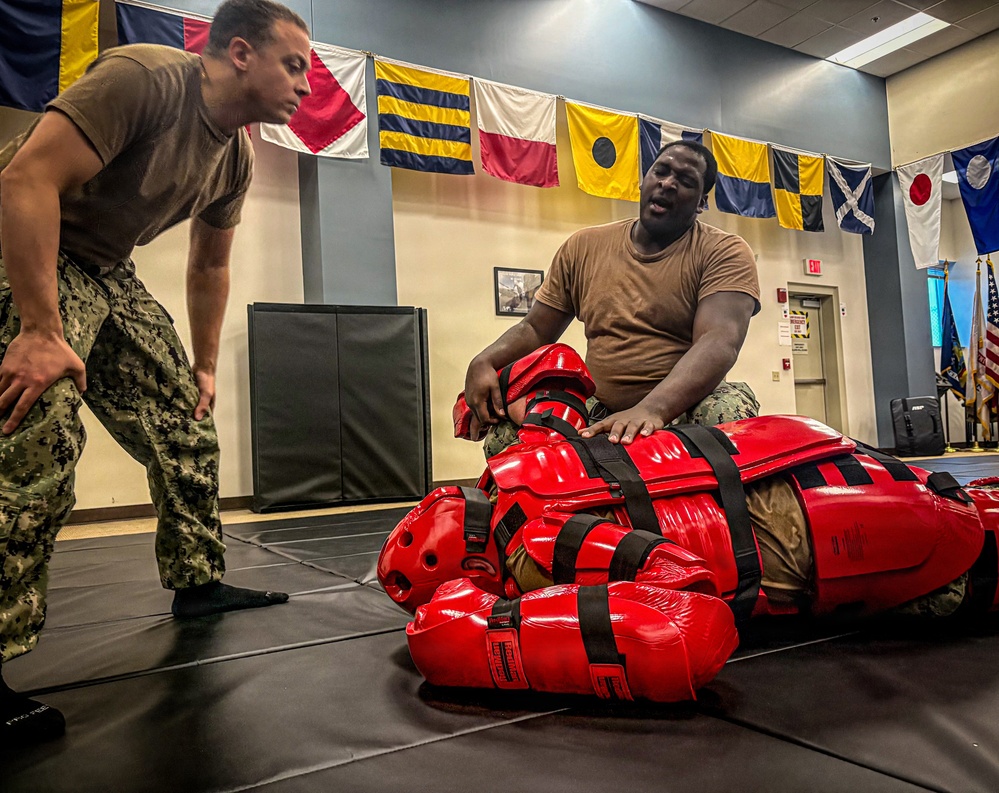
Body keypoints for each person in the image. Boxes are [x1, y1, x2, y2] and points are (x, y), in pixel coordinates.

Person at [0, 0, 312, 744]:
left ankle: (198, 582)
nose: (305, 86)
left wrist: (202, 365)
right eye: (294, 66)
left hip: (106, 269)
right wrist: (40, 330)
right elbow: (25, 179)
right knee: (37, 439)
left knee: (184, 420)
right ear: (241, 53)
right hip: (32, 250)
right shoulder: (145, 78)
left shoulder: (235, 155)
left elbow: (210, 265)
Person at [464, 140, 761, 458]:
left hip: (686, 406)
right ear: (643, 181)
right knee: (505, 440)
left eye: (685, 181)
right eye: (660, 172)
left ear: (702, 202)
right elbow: (536, 328)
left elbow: (718, 341)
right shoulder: (583, 246)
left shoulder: (724, 252)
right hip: (601, 407)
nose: (667, 184)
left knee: (727, 418)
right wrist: (484, 361)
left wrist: (652, 410)